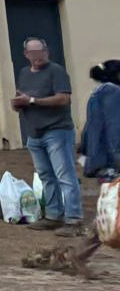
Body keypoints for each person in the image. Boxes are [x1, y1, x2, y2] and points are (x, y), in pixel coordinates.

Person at [14, 37, 84, 235]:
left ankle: (74, 219)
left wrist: (33, 101)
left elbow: (64, 98)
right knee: (45, 175)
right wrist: (19, 104)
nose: (37, 56)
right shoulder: (24, 73)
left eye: (40, 51)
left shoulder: (56, 71)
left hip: (57, 131)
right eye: (33, 53)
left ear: (47, 51)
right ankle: (53, 215)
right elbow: (25, 99)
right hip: (34, 133)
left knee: (65, 175)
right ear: (26, 54)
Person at [80, 59, 120, 179]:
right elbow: (114, 126)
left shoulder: (97, 92)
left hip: (99, 155)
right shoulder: (113, 92)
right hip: (110, 157)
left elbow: (89, 126)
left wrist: (86, 148)